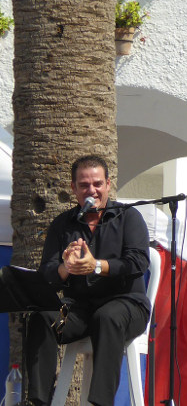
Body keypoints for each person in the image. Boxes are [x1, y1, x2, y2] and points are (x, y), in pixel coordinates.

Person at [26, 155, 151, 406]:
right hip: (80, 309)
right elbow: (46, 274)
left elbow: (138, 262)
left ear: (107, 184)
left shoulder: (128, 217)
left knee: (107, 316)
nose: (91, 190)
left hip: (127, 305)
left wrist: (96, 265)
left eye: (97, 183)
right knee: (40, 317)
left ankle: (99, 403)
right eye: (84, 185)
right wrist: (66, 268)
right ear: (73, 189)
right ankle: (38, 401)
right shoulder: (62, 224)